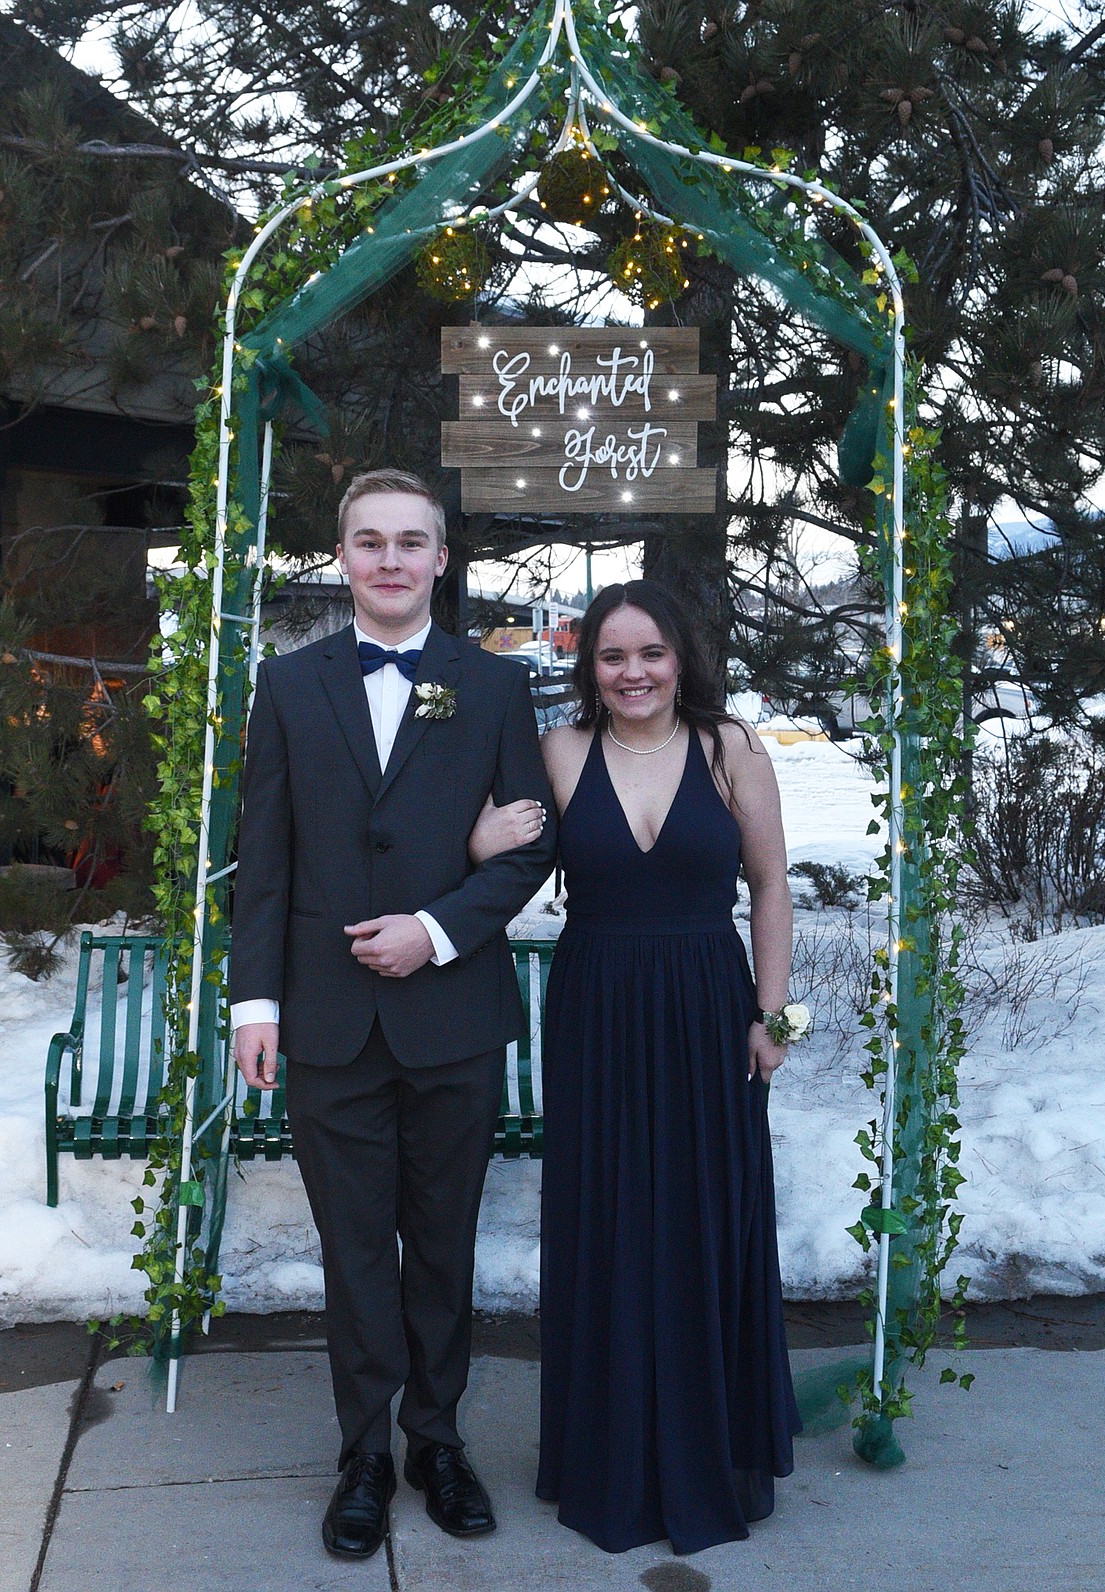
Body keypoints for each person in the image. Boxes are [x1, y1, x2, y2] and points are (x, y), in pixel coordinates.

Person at [228, 468, 555, 1561]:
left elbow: (530, 842)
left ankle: (437, 1438)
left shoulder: (495, 688)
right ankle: (363, 1451)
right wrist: (255, 1002)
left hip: (452, 1011)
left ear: (442, 559)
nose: (390, 559)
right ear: (342, 556)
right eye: (369, 541)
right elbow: (263, 858)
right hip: (326, 1019)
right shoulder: (287, 682)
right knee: (355, 1246)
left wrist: (438, 927)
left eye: (411, 541)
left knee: (443, 1245)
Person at [469, 579, 802, 1554]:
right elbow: (497, 857)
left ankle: (710, 1450)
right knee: (612, 1224)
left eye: (649, 652)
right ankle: (610, 1459)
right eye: (613, 655)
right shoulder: (561, 750)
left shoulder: (730, 745)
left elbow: (773, 883)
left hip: (708, 1005)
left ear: (680, 655)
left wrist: (773, 1012)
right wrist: (478, 834)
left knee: (705, 1220)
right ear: (590, 664)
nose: (633, 671)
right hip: (600, 1011)